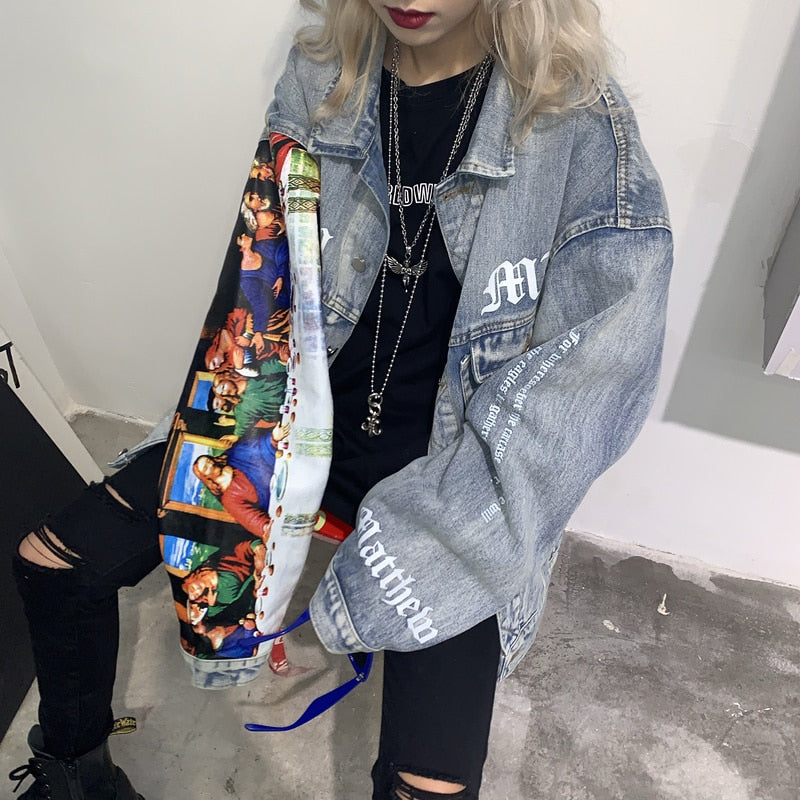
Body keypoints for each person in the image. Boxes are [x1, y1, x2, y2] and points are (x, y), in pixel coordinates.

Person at [9, 1, 672, 798]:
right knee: (52, 563)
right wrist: (222, 464)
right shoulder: (325, 75)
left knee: (428, 783)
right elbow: (256, 287)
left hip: (448, 475)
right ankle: (74, 775)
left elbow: (588, 391)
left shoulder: (581, 128)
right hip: (281, 426)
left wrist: (434, 542)